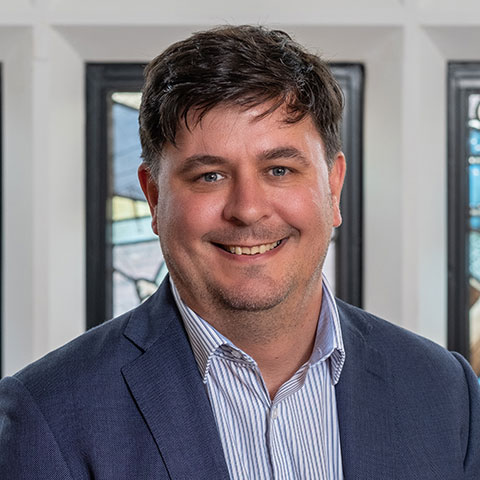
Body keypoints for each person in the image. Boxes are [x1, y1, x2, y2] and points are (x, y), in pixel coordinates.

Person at [0, 25, 479, 480]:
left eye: (279, 170)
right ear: (154, 196)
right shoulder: (47, 413)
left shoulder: (446, 392)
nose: (248, 210)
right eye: (209, 175)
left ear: (333, 187)